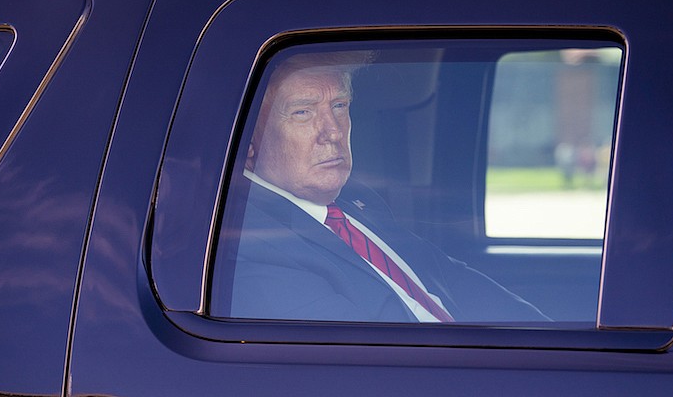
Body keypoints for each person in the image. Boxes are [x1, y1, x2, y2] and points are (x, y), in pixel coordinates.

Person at [213, 50, 547, 323]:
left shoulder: (357, 201)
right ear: (248, 142)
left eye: (339, 107)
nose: (332, 131)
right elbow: (380, 367)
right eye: (302, 112)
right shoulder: (252, 244)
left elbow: (448, 274)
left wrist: (544, 341)